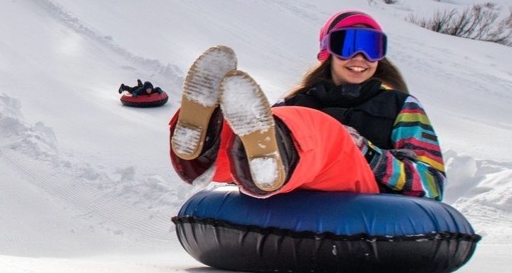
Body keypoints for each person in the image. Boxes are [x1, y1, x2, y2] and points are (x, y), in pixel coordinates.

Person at [168, 11, 445, 200]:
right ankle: (209, 136)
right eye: (348, 45)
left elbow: (431, 184)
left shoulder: (400, 105)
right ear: (327, 50)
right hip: (297, 189)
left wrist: (365, 152)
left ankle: (271, 162)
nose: (360, 56)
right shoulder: (296, 101)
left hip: (361, 194)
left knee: (324, 131)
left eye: (372, 47)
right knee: (275, 123)